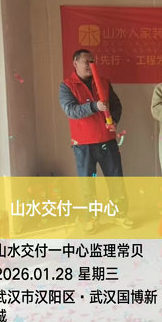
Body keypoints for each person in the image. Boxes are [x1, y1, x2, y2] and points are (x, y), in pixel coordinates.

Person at [59, 49, 131, 231]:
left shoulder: (104, 82)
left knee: (115, 180)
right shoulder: (67, 86)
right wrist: (94, 106)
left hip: (107, 140)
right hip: (83, 144)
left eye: (93, 61)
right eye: (87, 62)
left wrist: (114, 119)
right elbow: (71, 110)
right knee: (88, 185)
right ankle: (91, 219)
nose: (91, 65)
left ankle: (120, 215)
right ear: (75, 63)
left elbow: (116, 105)